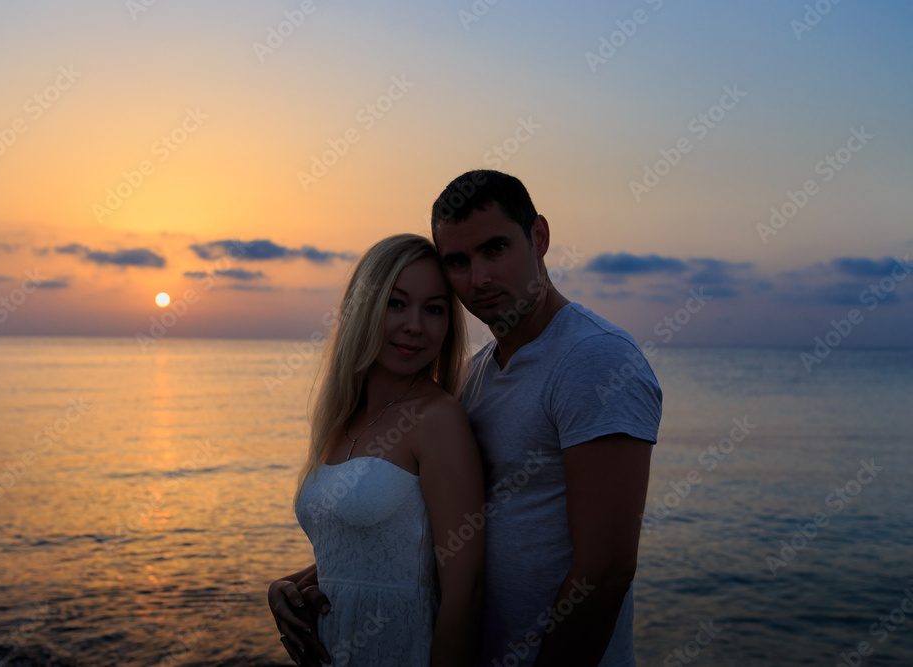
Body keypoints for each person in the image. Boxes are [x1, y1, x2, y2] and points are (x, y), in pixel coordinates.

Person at [271, 172, 662, 667]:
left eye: (495, 249)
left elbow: (605, 571)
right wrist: (299, 584)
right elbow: (431, 535)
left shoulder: (593, 360)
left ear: (538, 237)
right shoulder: (476, 375)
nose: (478, 278)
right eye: (458, 261)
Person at [269, 234, 485, 667]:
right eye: (396, 303)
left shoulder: (438, 419)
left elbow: (466, 590)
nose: (415, 326)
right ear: (363, 307)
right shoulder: (339, 418)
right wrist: (285, 588)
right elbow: (362, 550)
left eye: (435, 309)